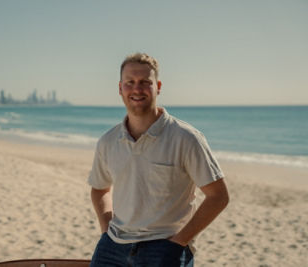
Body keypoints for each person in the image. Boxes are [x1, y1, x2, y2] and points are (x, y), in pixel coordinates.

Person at [88, 53, 229, 267]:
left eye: (145, 82)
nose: (137, 89)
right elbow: (99, 189)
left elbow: (218, 196)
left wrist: (180, 241)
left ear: (158, 86)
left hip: (165, 247)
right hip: (113, 246)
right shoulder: (108, 141)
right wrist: (106, 230)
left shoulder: (186, 138)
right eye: (130, 82)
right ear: (120, 88)